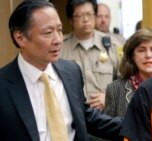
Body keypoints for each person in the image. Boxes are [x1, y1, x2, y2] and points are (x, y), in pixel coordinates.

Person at [0, 0, 122, 141]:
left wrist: (138, 124)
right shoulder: (4, 85)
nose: (58, 40)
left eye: (59, 30)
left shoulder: (71, 71)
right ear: (20, 38)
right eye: (48, 32)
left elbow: (85, 117)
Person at [61, 0, 120, 111]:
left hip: (107, 116)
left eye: (89, 14)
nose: (86, 20)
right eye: (79, 16)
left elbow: (126, 81)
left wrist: (110, 96)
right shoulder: (60, 48)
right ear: (70, 20)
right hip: (73, 116)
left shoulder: (113, 45)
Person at [104, 28, 152, 117]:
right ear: (132, 56)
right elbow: (109, 128)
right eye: (141, 50)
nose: (148, 55)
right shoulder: (115, 89)